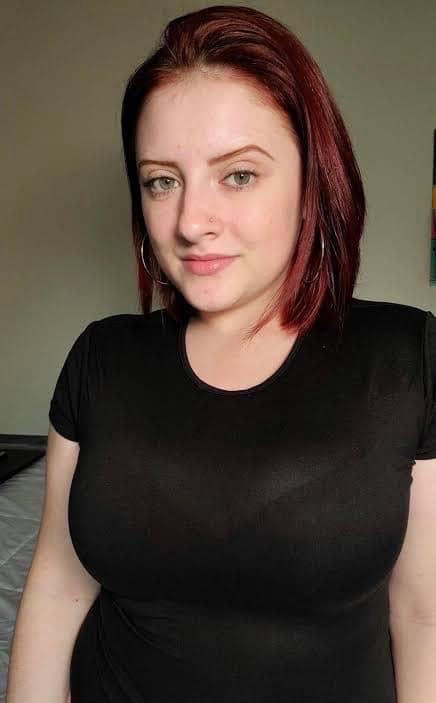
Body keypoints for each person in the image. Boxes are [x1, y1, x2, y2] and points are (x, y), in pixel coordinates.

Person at [6, 4, 436, 702]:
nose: (190, 222)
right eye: (161, 180)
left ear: (312, 179)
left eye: (237, 175)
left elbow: (423, 615)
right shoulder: (101, 359)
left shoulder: (406, 360)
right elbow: (58, 588)